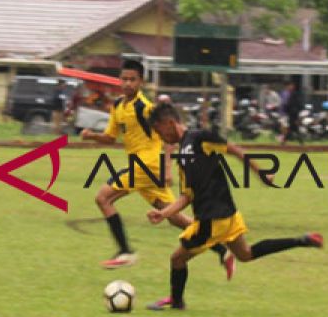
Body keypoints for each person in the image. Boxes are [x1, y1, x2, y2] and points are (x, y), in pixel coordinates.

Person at [144, 103, 323, 310]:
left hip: (212, 218)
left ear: (169, 123)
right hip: (226, 213)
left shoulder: (200, 138)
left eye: (159, 131)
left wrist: (260, 172)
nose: (160, 136)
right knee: (245, 254)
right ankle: (302, 240)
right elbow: (187, 196)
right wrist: (163, 213)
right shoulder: (183, 154)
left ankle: (177, 302)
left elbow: (234, 149)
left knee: (177, 258)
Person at [80, 59, 233, 275]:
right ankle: (220, 247)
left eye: (132, 80)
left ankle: (125, 251)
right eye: (124, 79)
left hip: (148, 166)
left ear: (141, 81)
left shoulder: (145, 108)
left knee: (103, 198)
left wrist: (168, 168)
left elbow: (170, 136)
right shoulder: (117, 106)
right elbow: (110, 138)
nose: (127, 84)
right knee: (174, 217)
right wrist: (91, 135)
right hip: (143, 168)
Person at [280, 80, 303, 145]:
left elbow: (297, 104)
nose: (291, 87)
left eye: (292, 86)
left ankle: (284, 141)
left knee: (293, 128)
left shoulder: (294, 94)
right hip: (291, 114)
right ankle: (300, 142)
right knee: (293, 128)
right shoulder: (287, 94)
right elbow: (287, 104)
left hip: (294, 114)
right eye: (290, 86)